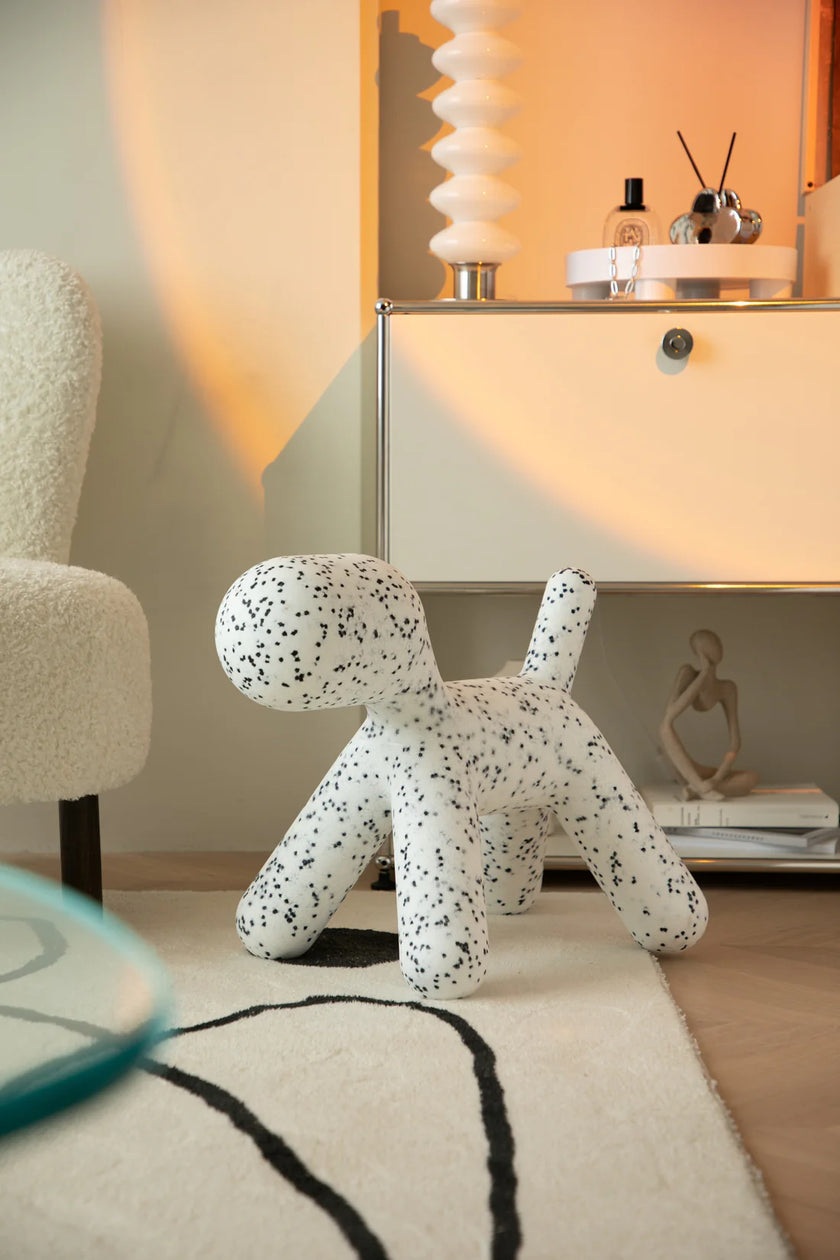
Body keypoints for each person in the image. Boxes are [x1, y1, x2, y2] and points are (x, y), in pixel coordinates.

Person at [659, 629, 758, 801]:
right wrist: (703, 674)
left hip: (704, 773)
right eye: (713, 643)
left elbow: (734, 743)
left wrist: (717, 778)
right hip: (682, 764)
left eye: (718, 642)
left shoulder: (728, 688)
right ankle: (698, 785)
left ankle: (697, 789)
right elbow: (670, 716)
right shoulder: (688, 673)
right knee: (664, 728)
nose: (719, 647)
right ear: (700, 651)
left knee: (751, 778)